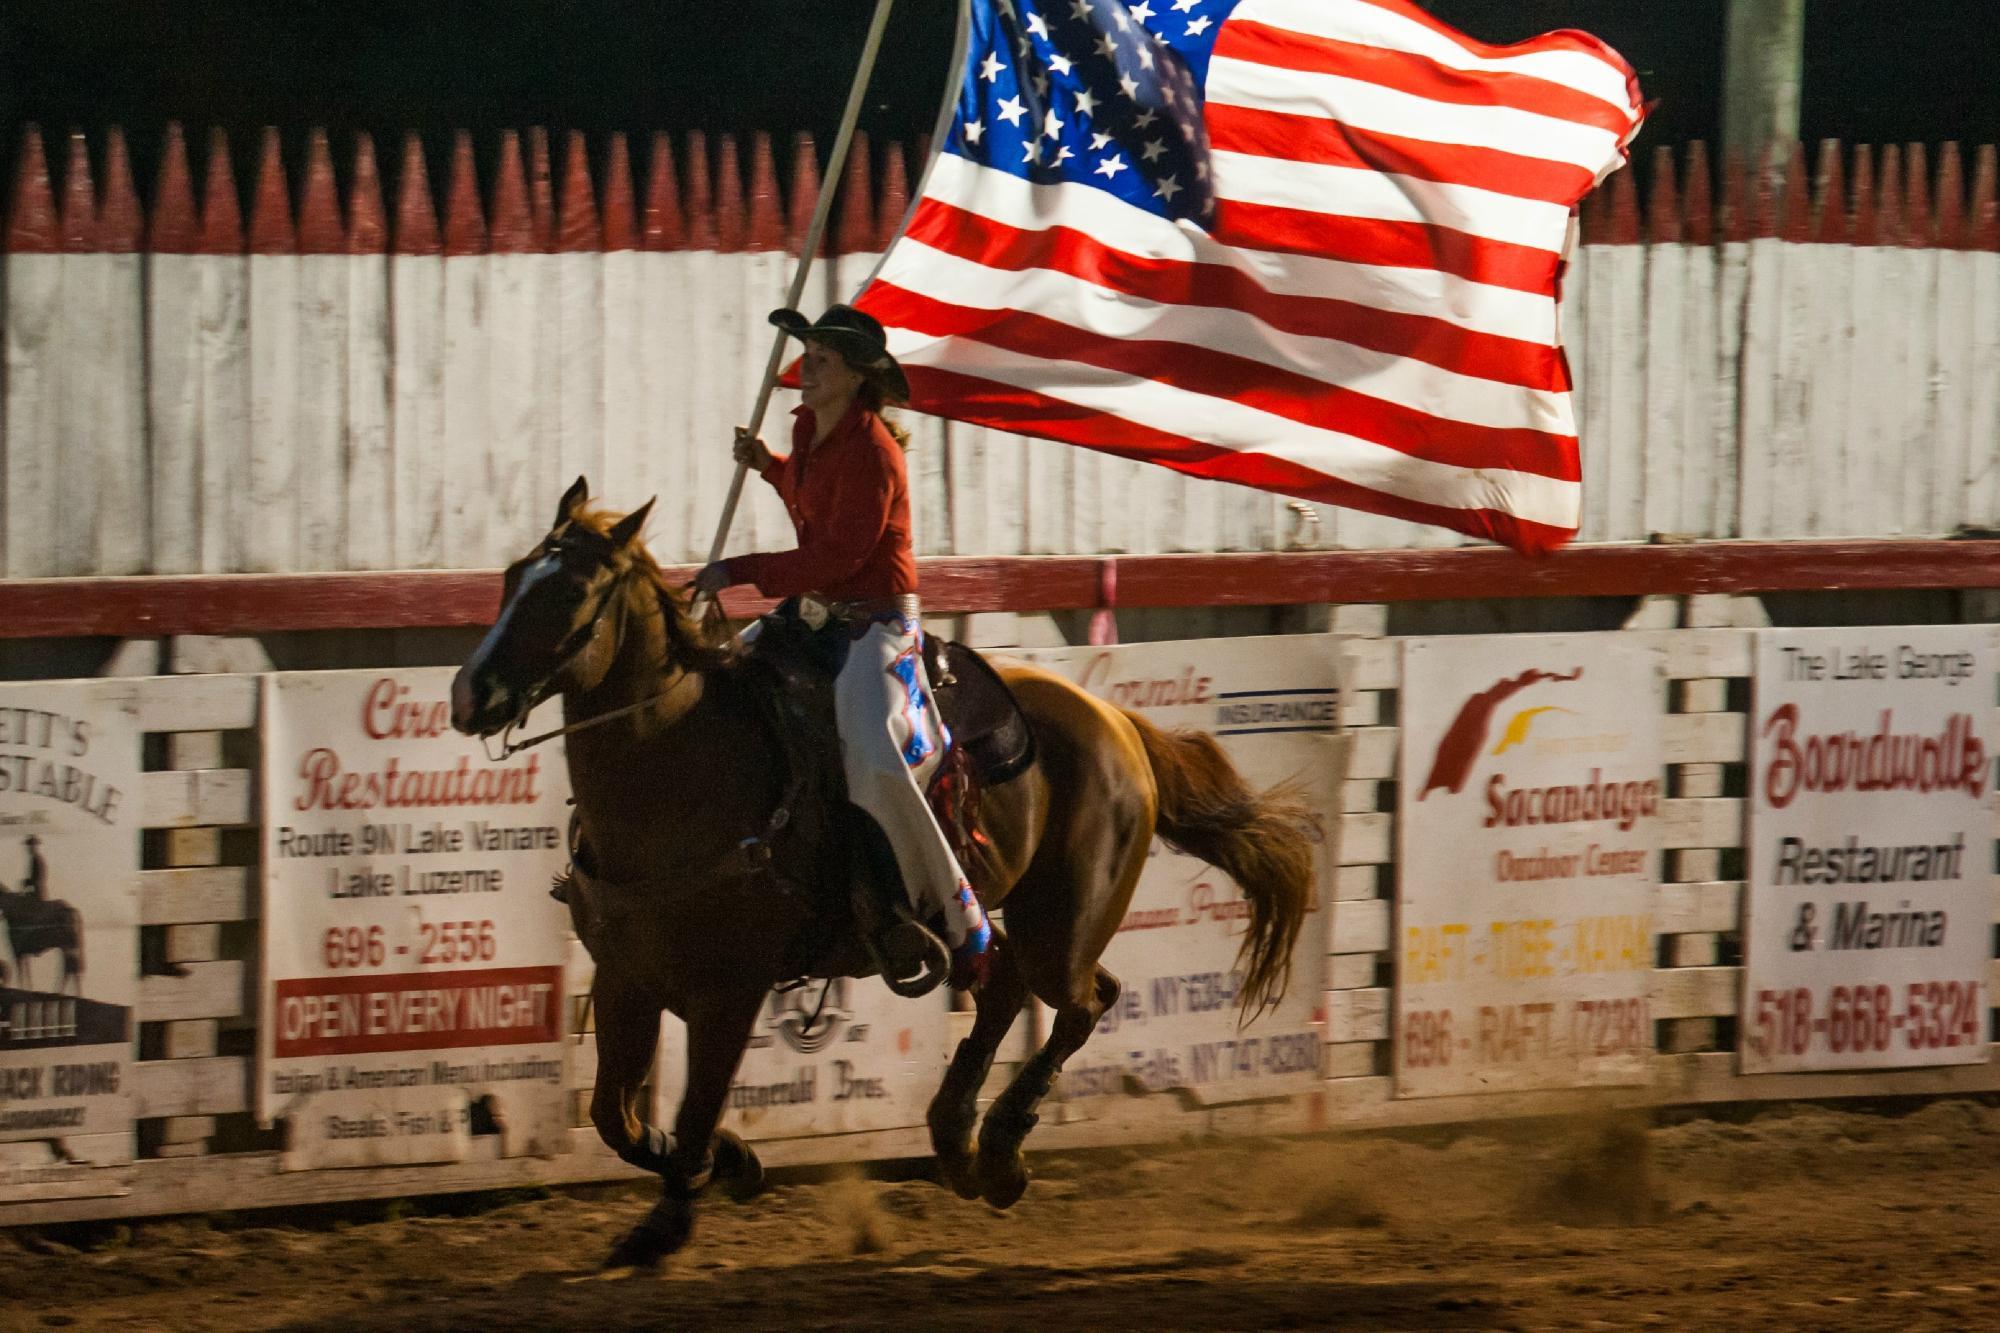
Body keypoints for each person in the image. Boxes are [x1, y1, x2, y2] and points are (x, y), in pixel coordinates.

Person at [693, 304, 991, 994]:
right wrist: (770, 467)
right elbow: (810, 497)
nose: (808, 368)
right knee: (716, 683)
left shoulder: (877, 452)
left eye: (822, 359)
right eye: (808, 354)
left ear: (857, 375)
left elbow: (837, 555)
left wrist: (737, 570)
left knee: (875, 755)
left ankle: (954, 916)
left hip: (877, 625)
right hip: (816, 616)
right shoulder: (808, 429)